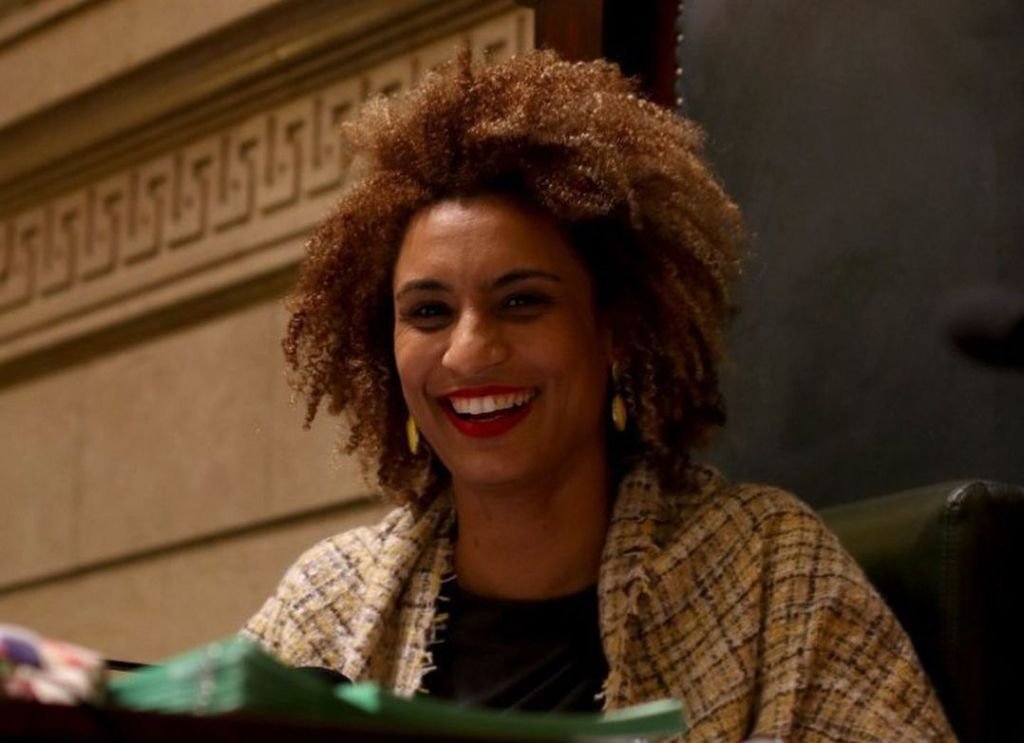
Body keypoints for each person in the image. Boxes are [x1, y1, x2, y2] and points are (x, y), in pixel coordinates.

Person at [243, 49, 955, 741]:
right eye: (429, 312)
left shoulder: (768, 573)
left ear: (613, 328)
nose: (468, 352)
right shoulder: (326, 608)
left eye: (521, 301)